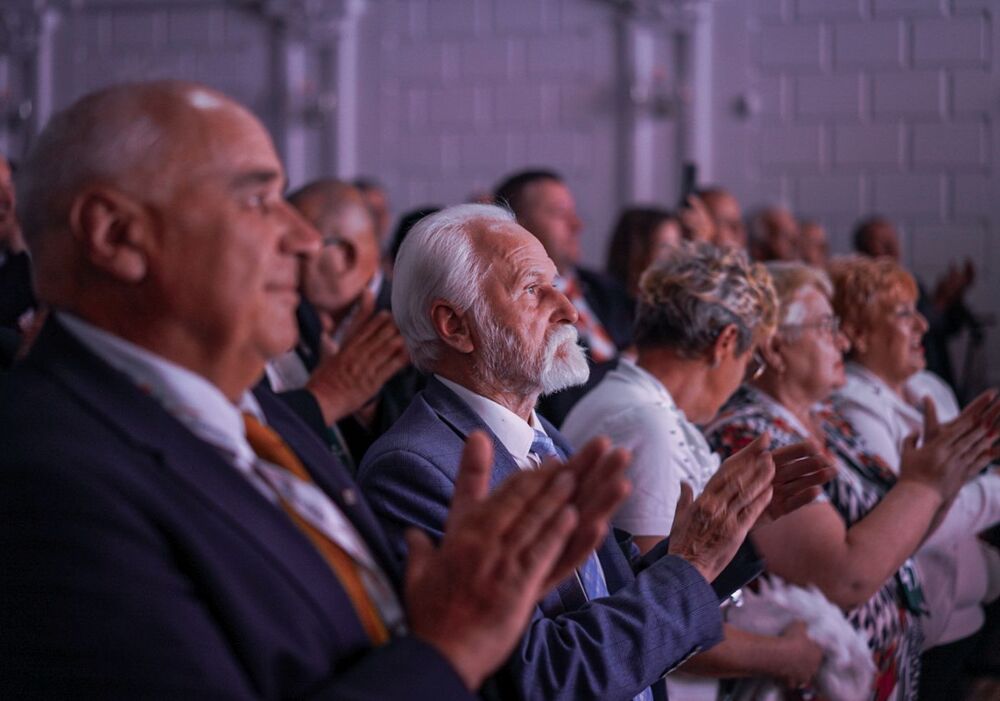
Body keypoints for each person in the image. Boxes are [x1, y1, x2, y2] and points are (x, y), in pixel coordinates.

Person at [0, 80, 632, 698]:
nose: (303, 240)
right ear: (115, 235)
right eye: (258, 200)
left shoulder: (260, 416)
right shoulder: (45, 476)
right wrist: (448, 649)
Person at [357, 203, 832, 701]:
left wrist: (731, 535)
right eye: (533, 291)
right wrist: (693, 564)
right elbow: (542, 676)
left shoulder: (543, 437)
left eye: (558, 286)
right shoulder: (414, 470)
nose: (569, 311)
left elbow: (614, 593)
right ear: (455, 326)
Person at [705, 261, 999, 701]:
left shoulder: (828, 418)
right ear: (775, 348)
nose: (842, 340)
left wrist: (948, 476)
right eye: (826, 327)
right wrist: (926, 485)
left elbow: (899, 535)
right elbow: (843, 577)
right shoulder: (749, 435)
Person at [563, 245, 830, 699]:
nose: (745, 376)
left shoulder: (640, 407)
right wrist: (783, 656)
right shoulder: (646, 424)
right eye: (751, 361)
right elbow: (655, 612)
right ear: (725, 343)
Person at [828, 255, 1000, 699]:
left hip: (965, 613)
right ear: (858, 333)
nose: (923, 325)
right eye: (903, 313)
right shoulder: (853, 404)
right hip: (923, 628)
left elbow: (957, 491)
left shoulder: (930, 387)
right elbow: (906, 519)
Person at [266, 178, 418, 467]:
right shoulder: (293, 317)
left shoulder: (414, 324)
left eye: (297, 251)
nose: (279, 263)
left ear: (344, 256)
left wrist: (365, 405)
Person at [494, 169, 633, 357]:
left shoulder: (606, 288)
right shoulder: (508, 309)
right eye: (560, 212)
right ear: (517, 225)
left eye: (573, 212)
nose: (577, 224)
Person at [852, 215, 977, 393]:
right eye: (884, 243)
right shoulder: (861, 293)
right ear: (863, 251)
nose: (893, 250)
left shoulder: (911, 283)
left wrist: (954, 298)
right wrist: (941, 300)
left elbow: (946, 328)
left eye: (894, 242)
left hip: (931, 377)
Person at [604, 206, 682, 298]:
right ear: (636, 253)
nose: (677, 257)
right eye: (666, 248)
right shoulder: (604, 305)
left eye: (679, 246)